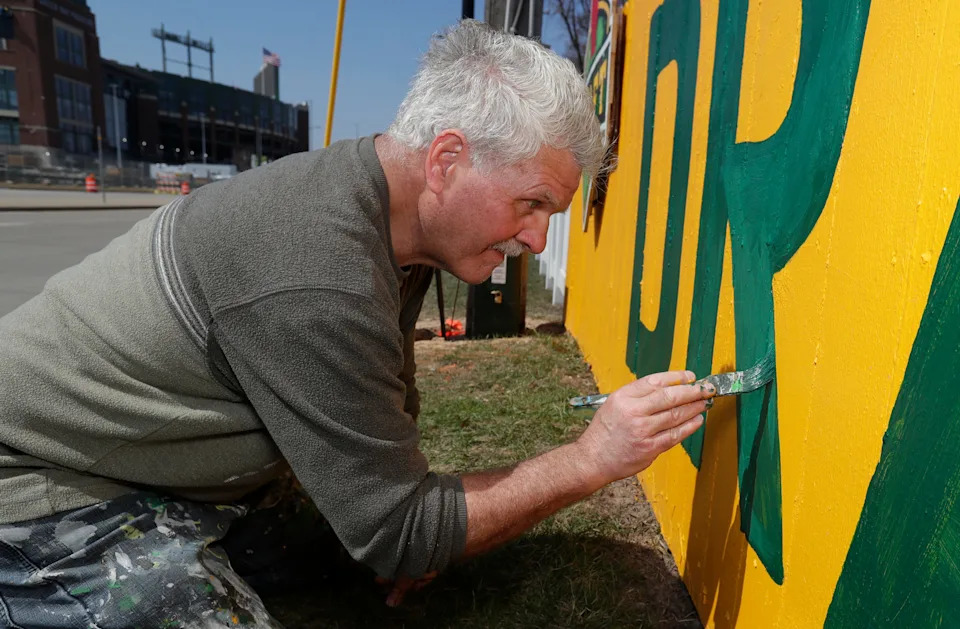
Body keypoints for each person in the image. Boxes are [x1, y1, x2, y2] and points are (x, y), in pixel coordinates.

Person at [0, 19, 713, 627]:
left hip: (172, 469)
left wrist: (414, 527)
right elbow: (399, 531)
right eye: (531, 204)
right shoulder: (315, 264)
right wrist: (591, 460)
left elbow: (391, 418)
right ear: (447, 160)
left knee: (343, 546)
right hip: (36, 486)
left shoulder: (394, 218)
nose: (534, 238)